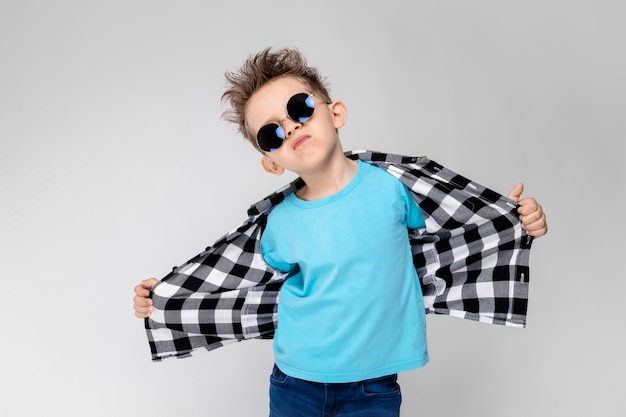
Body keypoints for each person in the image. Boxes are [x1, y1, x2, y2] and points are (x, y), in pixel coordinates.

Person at [133, 47, 547, 417]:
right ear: (271, 163)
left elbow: (464, 222)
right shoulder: (278, 223)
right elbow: (232, 273)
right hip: (295, 384)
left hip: (374, 388)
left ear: (336, 114)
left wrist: (517, 218)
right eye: (271, 133)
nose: (290, 127)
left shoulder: (393, 188)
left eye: (299, 108)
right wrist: (165, 296)